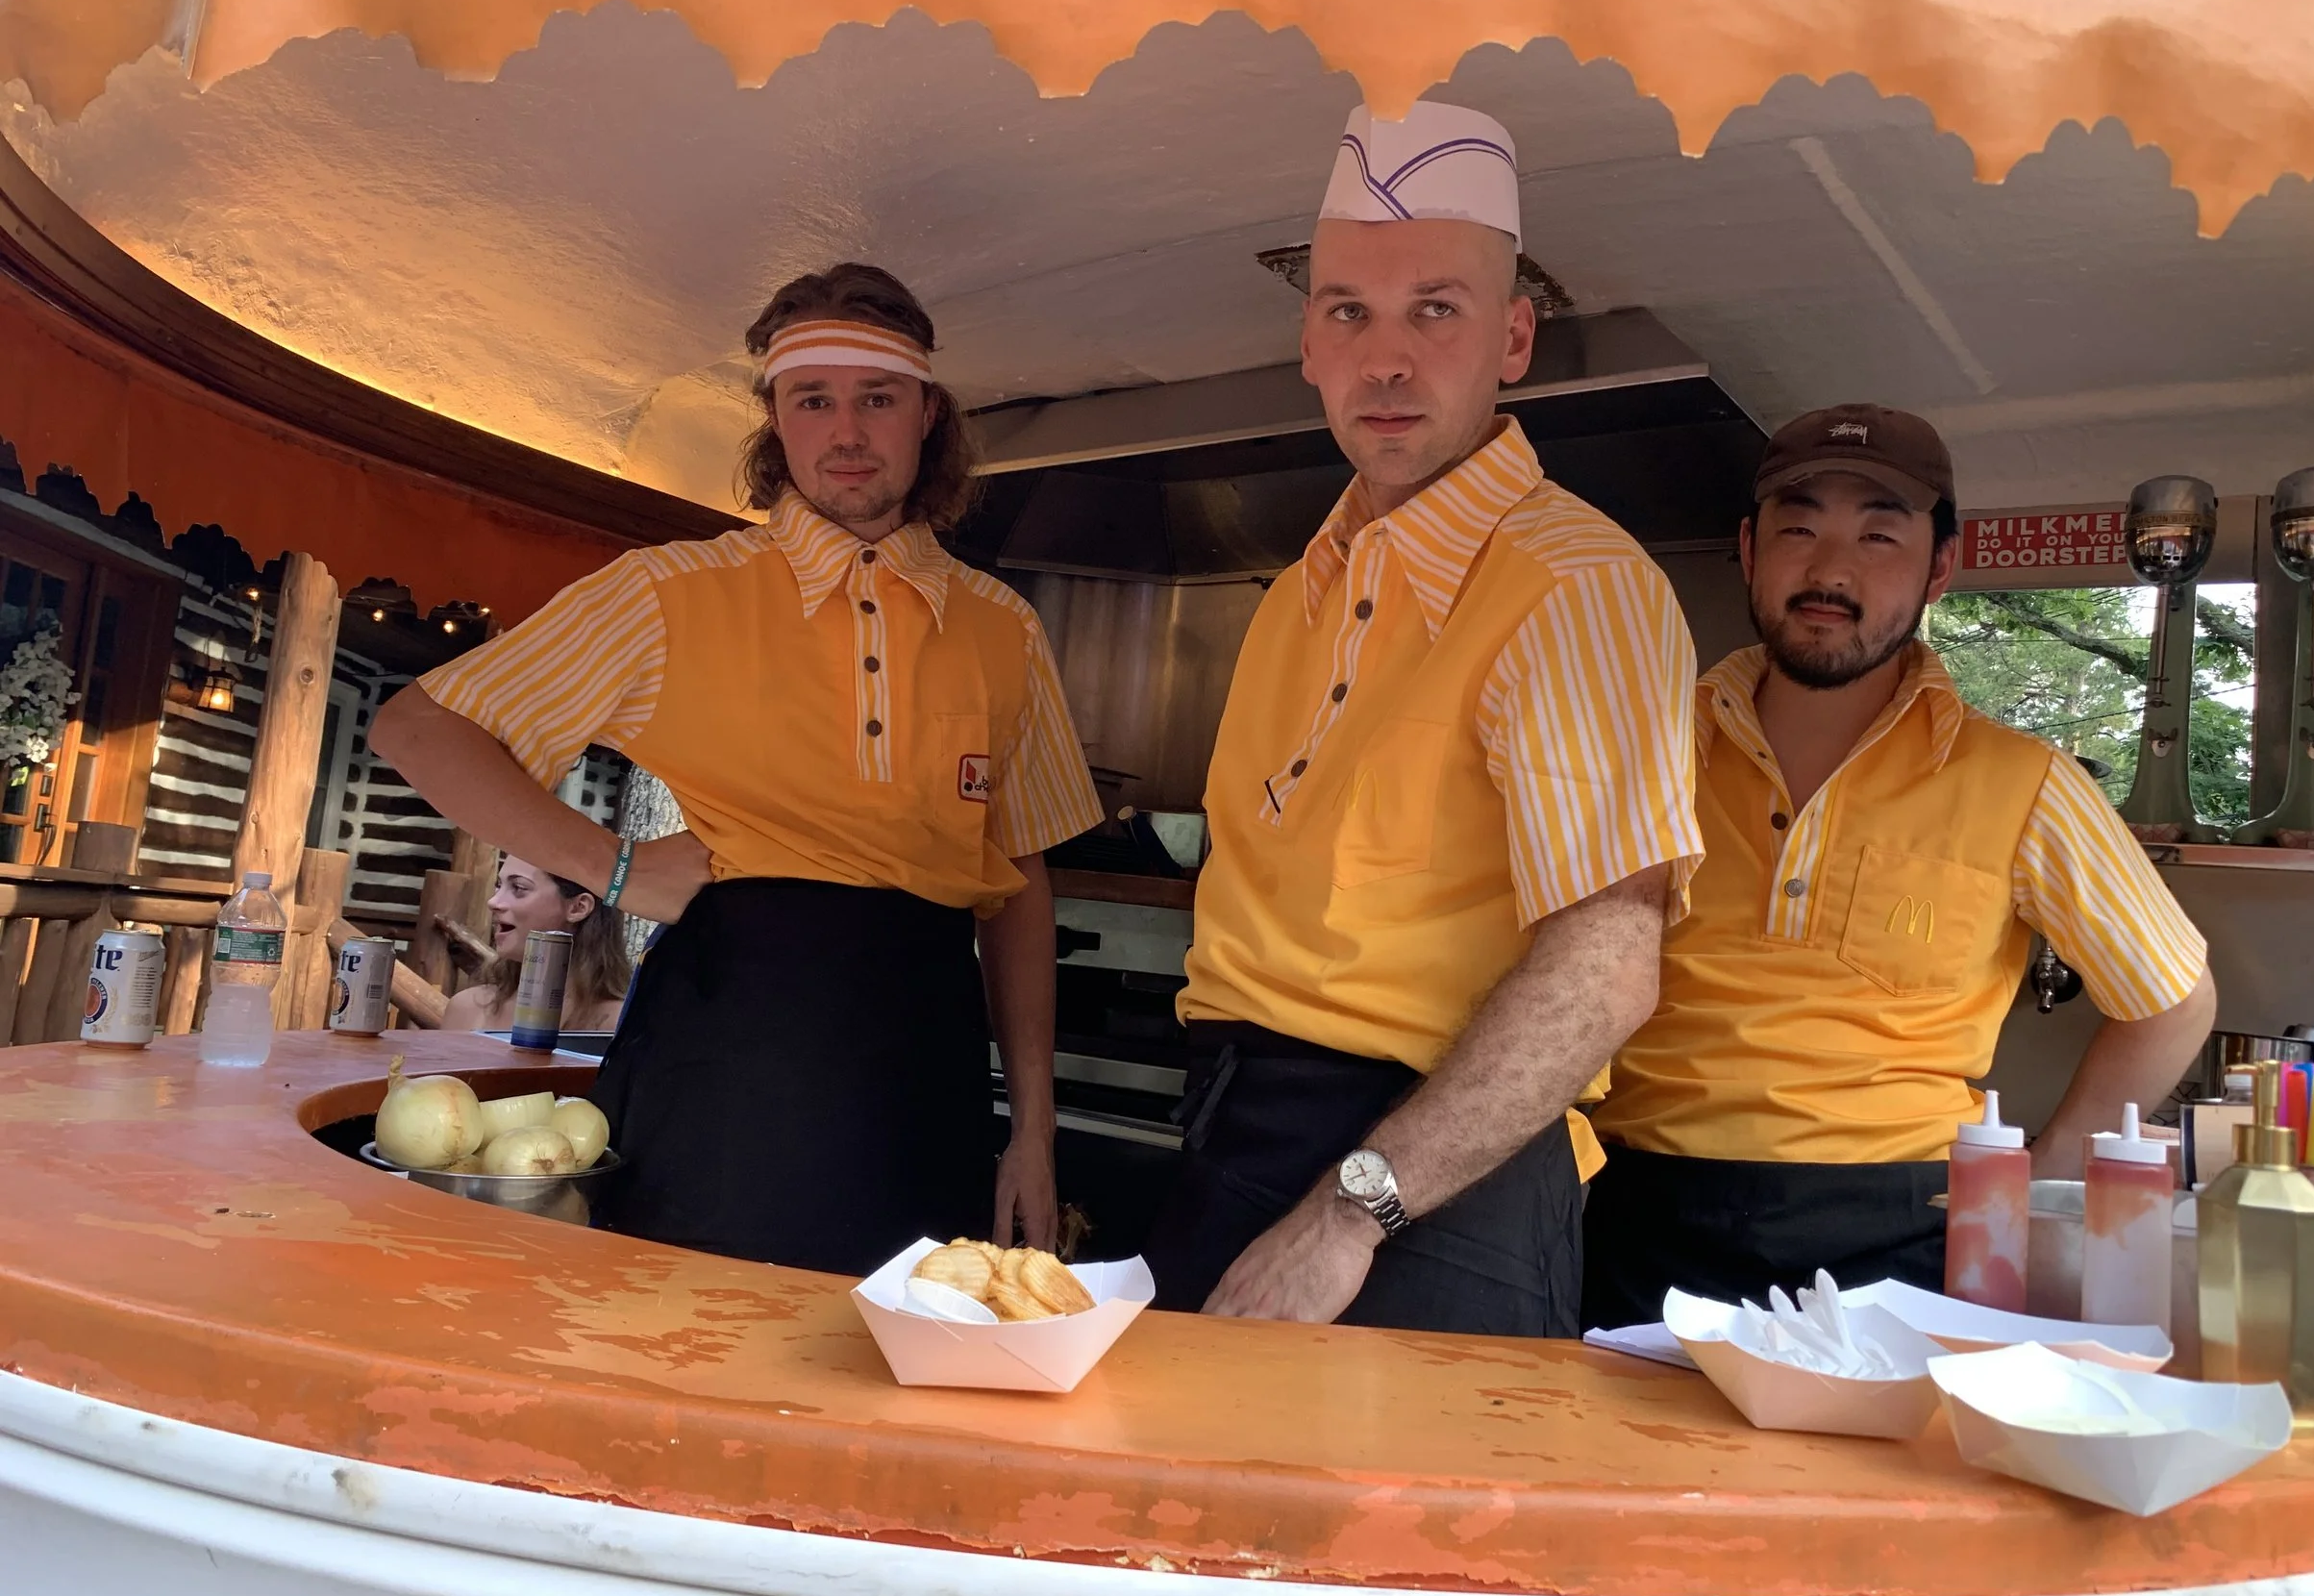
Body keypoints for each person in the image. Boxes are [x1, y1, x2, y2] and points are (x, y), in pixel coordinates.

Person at [370, 263, 1102, 1273]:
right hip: (729, 1053)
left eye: (878, 398)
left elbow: (1018, 887)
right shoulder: (670, 591)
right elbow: (417, 729)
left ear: (928, 413)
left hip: (928, 1059)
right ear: (774, 417)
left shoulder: (1003, 628)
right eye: (813, 399)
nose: (846, 431)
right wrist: (616, 866)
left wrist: (1033, 1133)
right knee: (688, 1335)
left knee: (905, 1345)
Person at [1145, 101, 1706, 1337]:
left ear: (1513, 338)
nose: (1387, 359)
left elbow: (1607, 968)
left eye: (1435, 310)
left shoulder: (1574, 585)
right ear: (1308, 342)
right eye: (1350, 312)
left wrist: (1350, 1217)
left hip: (1430, 1187)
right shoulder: (1299, 589)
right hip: (1238, 1133)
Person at [1583, 404, 2217, 1327]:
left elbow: (2173, 1000)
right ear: (1750, 550)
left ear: (1940, 567)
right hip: (1640, 1219)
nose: (1831, 570)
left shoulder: (2023, 781)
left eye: (1879, 535)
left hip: (1902, 1237)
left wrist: (2036, 1176)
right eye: (1799, 529)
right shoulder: (1643, 752)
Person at [439, 853, 632, 1033]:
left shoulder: (619, 1025)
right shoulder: (467, 1009)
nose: (493, 902)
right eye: (499, 885)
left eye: (518, 888)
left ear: (578, 908)